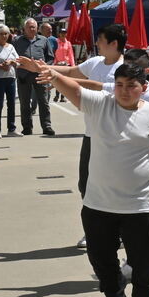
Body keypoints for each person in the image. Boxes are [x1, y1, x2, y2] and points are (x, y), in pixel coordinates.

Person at [46, 63, 149, 297]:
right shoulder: (101, 105)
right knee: (102, 259)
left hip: (140, 204)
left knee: (143, 261)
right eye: (119, 84)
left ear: (143, 88)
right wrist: (53, 75)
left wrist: (141, 158)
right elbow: (74, 89)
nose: (124, 91)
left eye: (131, 85)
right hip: (98, 203)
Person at [19, 23, 127, 248]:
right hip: (91, 135)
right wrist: (39, 68)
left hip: (115, 138)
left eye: (100, 39)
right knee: (86, 185)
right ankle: (95, 230)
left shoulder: (124, 69)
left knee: (113, 187)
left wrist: (57, 79)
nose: (96, 43)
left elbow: (98, 87)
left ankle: (117, 232)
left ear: (114, 44)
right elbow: (69, 71)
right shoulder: (96, 62)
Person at [13, 18, 55, 136]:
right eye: (29, 27)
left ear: (37, 29)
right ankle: (27, 127)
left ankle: (47, 126)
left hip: (40, 75)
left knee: (44, 101)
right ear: (24, 29)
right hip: (23, 75)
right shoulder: (17, 41)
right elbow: (12, 56)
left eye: (34, 27)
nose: (32, 29)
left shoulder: (44, 40)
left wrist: (46, 67)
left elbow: (50, 57)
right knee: (24, 102)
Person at [0, 25, 20, 139]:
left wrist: (11, 62)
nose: (4, 36)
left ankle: (12, 128)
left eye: (6, 33)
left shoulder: (11, 47)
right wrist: (0, 66)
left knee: (11, 104)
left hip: (11, 77)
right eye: (2, 34)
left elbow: (18, 61)